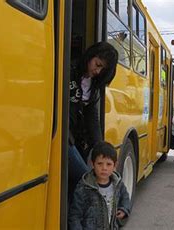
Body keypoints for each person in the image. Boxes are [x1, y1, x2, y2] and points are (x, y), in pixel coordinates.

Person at [68, 42, 118, 202]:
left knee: (74, 185)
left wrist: (100, 149)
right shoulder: (68, 69)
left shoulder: (93, 86)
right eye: (97, 65)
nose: (97, 71)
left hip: (78, 141)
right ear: (91, 55)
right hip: (63, 138)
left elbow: (92, 119)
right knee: (85, 180)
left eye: (102, 69)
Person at [69, 141, 131, 229]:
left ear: (115, 165)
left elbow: (125, 196)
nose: (104, 168)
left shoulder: (117, 183)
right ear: (92, 164)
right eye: (100, 164)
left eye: (108, 164)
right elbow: (75, 215)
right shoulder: (84, 187)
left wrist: (124, 209)